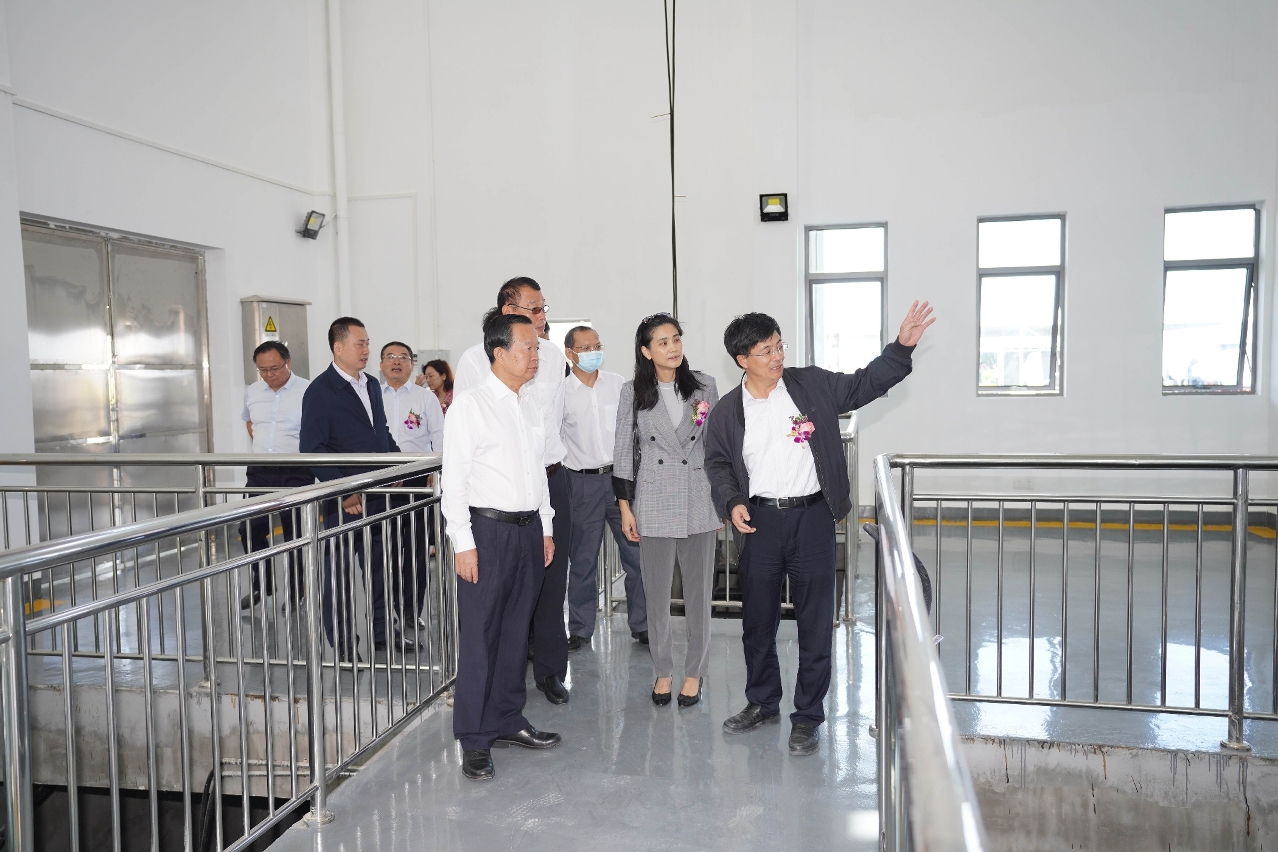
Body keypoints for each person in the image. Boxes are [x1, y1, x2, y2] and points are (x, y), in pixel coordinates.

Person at [704, 303, 934, 756]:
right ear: (742, 360)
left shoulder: (810, 384)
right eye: (766, 351)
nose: (777, 356)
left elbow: (865, 384)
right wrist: (731, 501)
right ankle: (762, 701)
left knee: (814, 623)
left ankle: (807, 716)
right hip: (759, 524)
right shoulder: (729, 411)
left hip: (812, 518)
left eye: (779, 346)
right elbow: (717, 465)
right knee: (757, 623)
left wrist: (901, 347)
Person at [442, 313, 562, 781]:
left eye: (537, 348)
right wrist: (463, 543)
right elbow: (454, 481)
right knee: (481, 634)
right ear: (499, 353)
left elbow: (539, 473)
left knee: (516, 631)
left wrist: (546, 527)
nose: (535, 356)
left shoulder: (528, 404)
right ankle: (474, 737)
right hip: (487, 532)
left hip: (529, 529)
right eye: (527, 348)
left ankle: (508, 718)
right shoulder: (470, 406)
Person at [453, 277, 572, 705]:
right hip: (496, 498)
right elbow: (465, 445)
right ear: (508, 311)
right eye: (532, 309)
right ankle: (492, 696)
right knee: (497, 600)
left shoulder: (552, 357)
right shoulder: (474, 361)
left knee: (549, 581)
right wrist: (463, 535)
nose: (541, 317)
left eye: (543, 308)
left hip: (546, 481)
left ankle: (549, 671)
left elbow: (553, 422)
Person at [612, 313, 720, 708]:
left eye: (676, 338)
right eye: (662, 342)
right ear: (646, 351)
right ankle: (663, 670)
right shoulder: (633, 392)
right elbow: (623, 451)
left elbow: (717, 445)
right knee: (656, 595)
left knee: (698, 595)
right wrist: (625, 508)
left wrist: (723, 499)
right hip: (654, 498)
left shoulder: (704, 386)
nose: (672, 347)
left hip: (698, 495)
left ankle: (694, 673)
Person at [300, 317, 402, 662]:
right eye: (360, 344)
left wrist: (397, 464)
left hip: (378, 494)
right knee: (340, 575)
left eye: (368, 343)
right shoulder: (320, 392)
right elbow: (312, 448)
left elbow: (380, 432)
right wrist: (344, 490)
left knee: (381, 568)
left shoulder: (371, 384)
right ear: (338, 347)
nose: (366, 350)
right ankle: (344, 644)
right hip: (345, 502)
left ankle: (383, 631)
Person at [561, 325, 648, 651]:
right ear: (569, 353)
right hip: (581, 482)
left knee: (637, 556)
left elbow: (634, 432)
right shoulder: (561, 393)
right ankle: (581, 629)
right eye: (585, 348)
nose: (593, 352)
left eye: (597, 346)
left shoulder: (617, 384)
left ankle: (643, 625)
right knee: (583, 561)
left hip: (620, 479)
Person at [239, 341, 312, 612]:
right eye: (263, 370)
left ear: (288, 363)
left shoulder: (308, 391)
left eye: (275, 368)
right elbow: (249, 422)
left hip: (296, 470)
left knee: (294, 533)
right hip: (260, 471)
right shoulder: (253, 391)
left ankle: (296, 588)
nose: (269, 375)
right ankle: (263, 583)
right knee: (249, 528)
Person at [380, 341, 446, 643]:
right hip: (381, 483)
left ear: (411, 364)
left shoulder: (425, 398)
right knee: (385, 552)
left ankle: (411, 610)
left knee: (416, 551)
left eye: (403, 357)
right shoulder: (371, 395)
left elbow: (439, 436)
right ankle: (386, 609)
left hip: (418, 481)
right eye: (390, 357)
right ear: (381, 364)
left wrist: (436, 469)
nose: (396, 362)